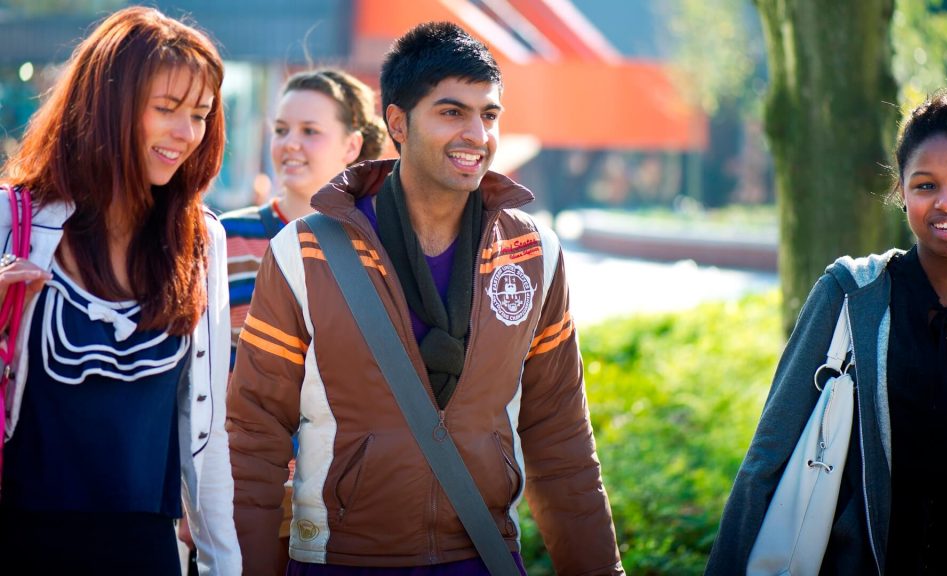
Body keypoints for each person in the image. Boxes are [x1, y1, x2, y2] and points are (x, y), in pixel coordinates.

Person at [227, 21, 623, 575]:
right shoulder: (303, 252)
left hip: (482, 554)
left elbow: (562, 442)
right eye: (451, 112)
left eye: (489, 115)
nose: (477, 135)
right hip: (338, 560)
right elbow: (254, 437)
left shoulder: (533, 254)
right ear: (398, 123)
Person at [706, 89, 947, 574]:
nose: (946, 203)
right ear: (900, 191)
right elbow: (768, 455)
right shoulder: (851, 295)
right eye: (924, 186)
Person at [0, 7, 241, 575]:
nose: (186, 134)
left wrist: (220, 563)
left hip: (145, 552)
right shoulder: (14, 222)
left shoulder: (200, 239)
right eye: (166, 109)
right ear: (107, 105)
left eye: (201, 114)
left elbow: (208, 427)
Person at [210, 68, 385, 576]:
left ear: (352, 144)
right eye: (282, 129)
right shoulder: (224, 237)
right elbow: (199, 374)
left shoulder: (378, 246)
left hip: (349, 505)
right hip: (241, 495)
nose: (290, 144)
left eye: (311, 131)